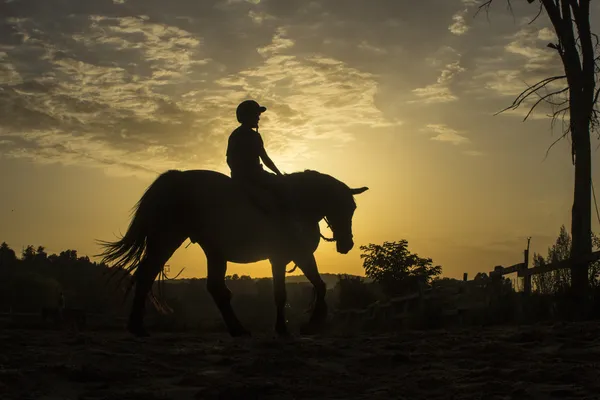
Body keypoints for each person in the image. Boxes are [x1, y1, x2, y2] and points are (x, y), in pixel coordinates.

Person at [226, 100, 306, 244]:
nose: (258, 118)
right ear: (247, 116)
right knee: (284, 188)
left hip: (240, 176)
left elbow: (229, 159)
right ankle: (288, 227)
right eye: (256, 115)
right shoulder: (253, 136)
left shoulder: (235, 135)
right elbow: (266, 159)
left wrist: (237, 174)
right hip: (256, 176)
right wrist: (279, 175)